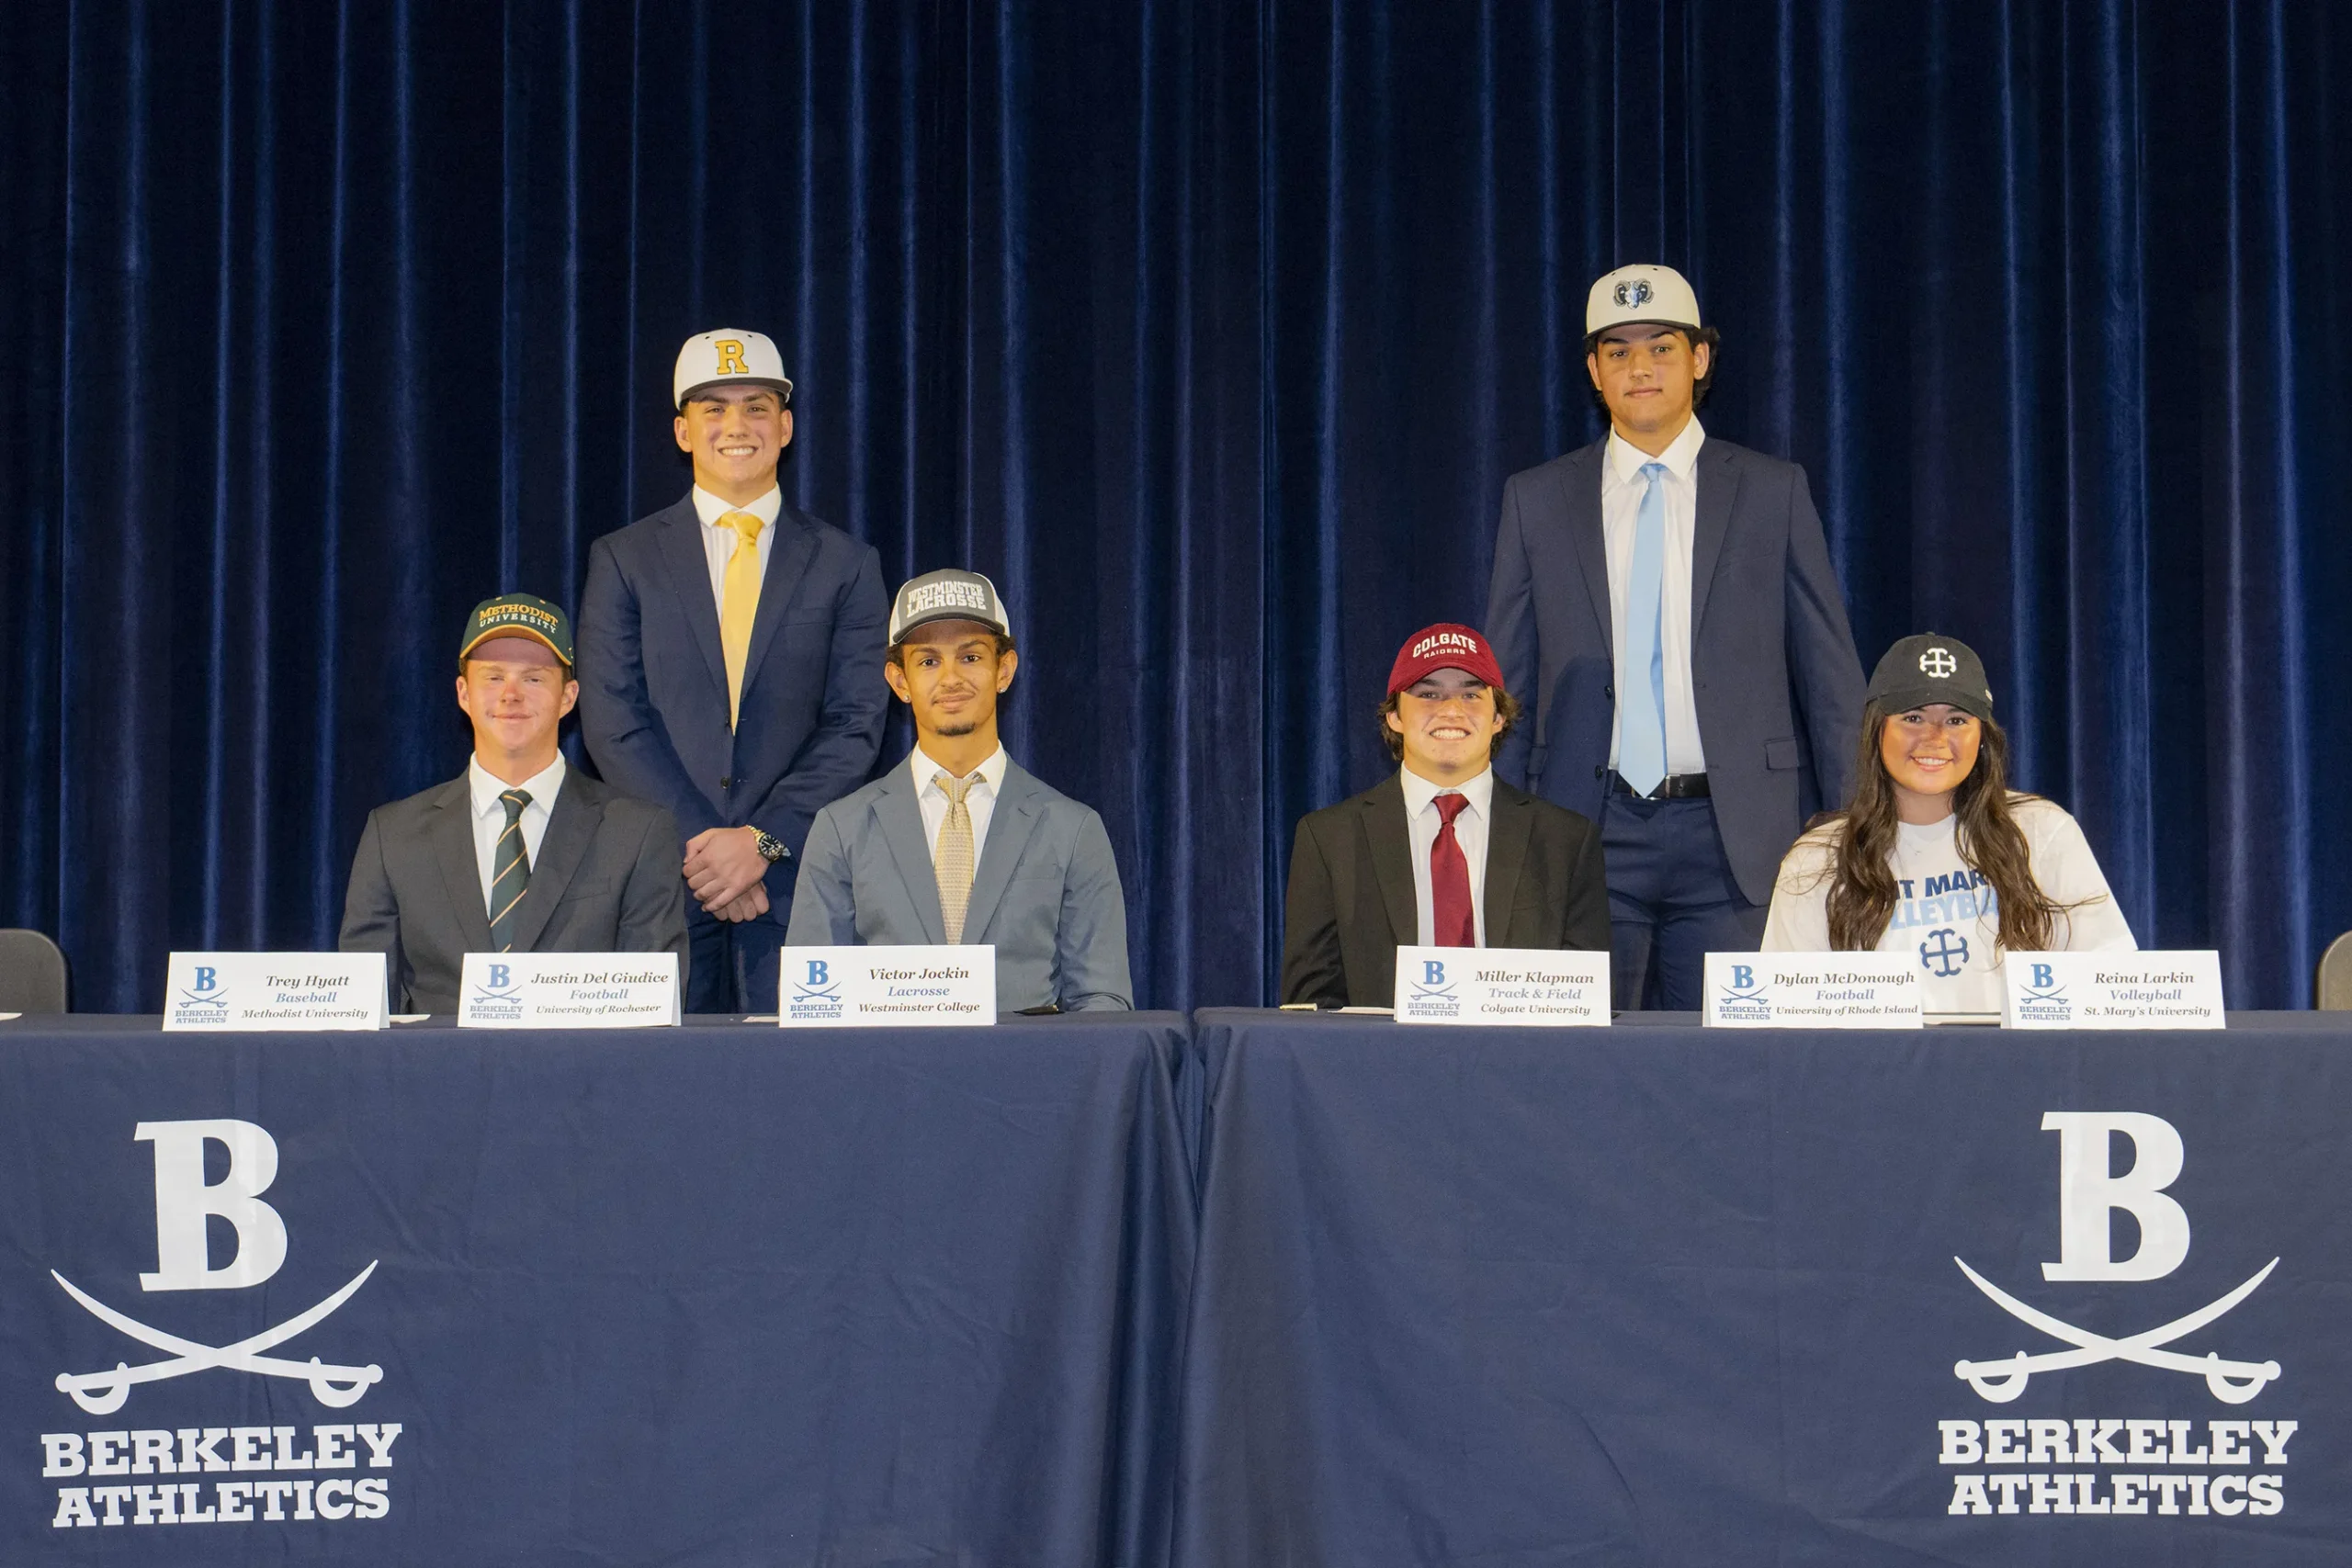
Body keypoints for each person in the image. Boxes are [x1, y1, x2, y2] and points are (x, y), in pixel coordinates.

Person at [1487, 264, 1865, 1012]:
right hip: (1585, 830)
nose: (1641, 367)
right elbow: (1510, 687)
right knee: (1580, 1066)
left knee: (1733, 1067)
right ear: (1594, 371)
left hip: (1739, 837)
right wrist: (1500, 836)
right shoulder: (1536, 500)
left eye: (1661, 347)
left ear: (1700, 358)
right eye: (1618, 351)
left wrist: (1854, 828)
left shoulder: (1773, 491)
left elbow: (1829, 678)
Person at [576, 328, 888, 1013]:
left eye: (756, 407)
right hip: (664, 887)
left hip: (793, 891)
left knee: (792, 1081)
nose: (736, 426)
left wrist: (762, 842)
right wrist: (707, 851)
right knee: (661, 1079)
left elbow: (856, 724)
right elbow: (612, 719)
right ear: (683, 431)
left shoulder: (847, 564)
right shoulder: (624, 559)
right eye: (713, 408)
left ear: (786, 426)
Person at [786, 570, 1133, 1012]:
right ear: (899, 681)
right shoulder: (841, 830)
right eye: (928, 661)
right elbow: (812, 1005)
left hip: (1026, 1061)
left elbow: (1102, 1002)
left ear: (1004, 670)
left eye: (970, 657)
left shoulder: (1073, 830)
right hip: (888, 1061)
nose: (951, 678)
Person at [341, 593, 689, 1014]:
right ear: (463, 693)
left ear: (568, 697)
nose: (511, 694)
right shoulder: (393, 836)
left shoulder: (637, 833)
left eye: (534, 679)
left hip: (581, 1059)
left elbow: (651, 1010)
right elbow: (364, 1010)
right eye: (493, 677)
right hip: (437, 1059)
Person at [1760, 634, 2134, 1012]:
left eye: (1956, 720)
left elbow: (2108, 985)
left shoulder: (2043, 832)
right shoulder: (1815, 860)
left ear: (1982, 737)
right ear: (1877, 732)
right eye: (1913, 718)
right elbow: (1789, 1015)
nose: (1935, 738)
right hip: (1880, 1054)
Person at [1282, 624, 1611, 1009]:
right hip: (1380, 1048)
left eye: (1471, 695)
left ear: (1499, 717)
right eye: (1429, 694)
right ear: (1394, 716)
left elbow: (1587, 1001)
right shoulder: (1329, 840)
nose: (1452, 711)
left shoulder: (1566, 842)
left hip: (1520, 1048)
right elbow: (1311, 1007)